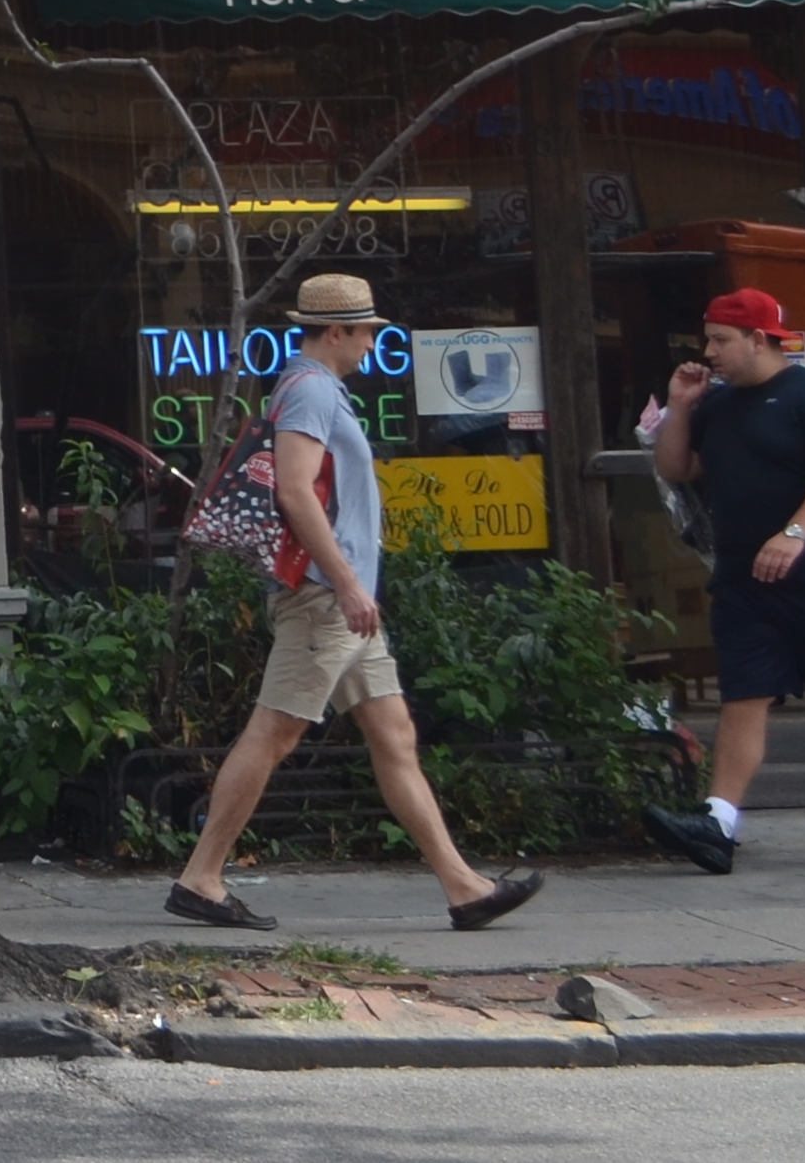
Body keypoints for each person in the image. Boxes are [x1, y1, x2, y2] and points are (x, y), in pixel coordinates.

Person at [167, 271, 543, 932]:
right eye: (365, 331)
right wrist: (343, 581)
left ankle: (463, 888)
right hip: (324, 600)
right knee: (274, 733)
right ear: (335, 332)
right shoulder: (311, 390)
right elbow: (292, 490)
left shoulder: (315, 389)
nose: (371, 343)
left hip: (341, 602)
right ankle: (201, 877)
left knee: (393, 735)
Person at [637, 287, 805, 872]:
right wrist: (681, 406)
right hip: (745, 577)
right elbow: (679, 468)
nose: (710, 351)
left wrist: (795, 535)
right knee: (744, 694)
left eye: (722, 339)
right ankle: (717, 824)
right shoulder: (718, 405)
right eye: (708, 338)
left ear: (760, 340)